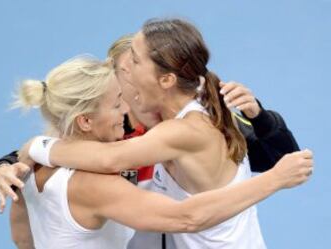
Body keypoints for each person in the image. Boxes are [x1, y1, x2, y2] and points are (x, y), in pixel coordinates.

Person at [21, 19, 311, 249]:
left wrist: (35, 146)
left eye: (135, 63)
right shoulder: (118, 129)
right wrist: (9, 162)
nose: (127, 77)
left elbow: (282, 159)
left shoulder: (185, 129)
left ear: (166, 79)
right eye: (125, 69)